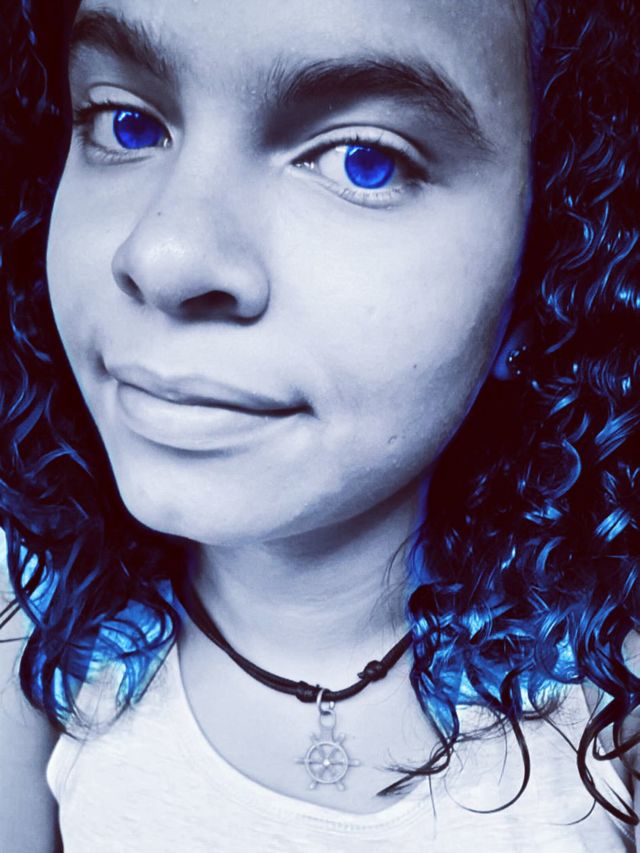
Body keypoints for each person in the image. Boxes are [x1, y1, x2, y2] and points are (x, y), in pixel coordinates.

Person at [1, 0, 638, 850]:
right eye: (127, 123)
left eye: (364, 161)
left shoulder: (612, 691)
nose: (163, 256)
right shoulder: (27, 616)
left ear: (542, 266)